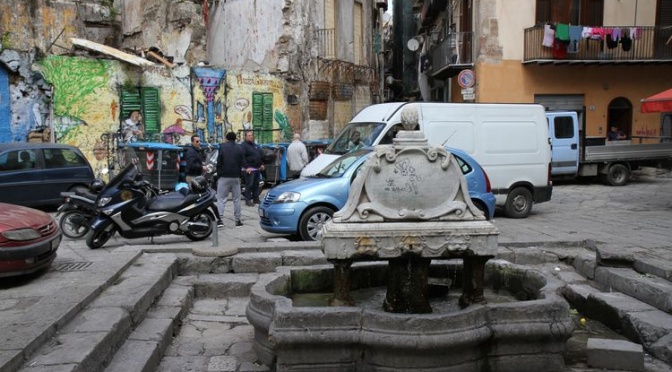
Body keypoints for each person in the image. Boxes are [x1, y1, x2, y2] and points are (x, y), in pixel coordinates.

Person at [216, 132, 245, 228]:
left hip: (224, 176)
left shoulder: (222, 147)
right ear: (235, 138)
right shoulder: (240, 148)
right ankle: (238, 220)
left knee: (221, 199)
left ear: (226, 138)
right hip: (236, 176)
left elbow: (219, 162)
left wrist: (219, 173)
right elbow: (242, 162)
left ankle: (220, 220)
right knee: (237, 199)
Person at [241, 131, 265, 206]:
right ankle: (248, 200)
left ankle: (256, 199)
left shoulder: (255, 145)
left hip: (257, 168)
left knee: (256, 185)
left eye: (252, 135)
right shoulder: (243, 146)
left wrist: (261, 164)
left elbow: (258, 155)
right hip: (249, 169)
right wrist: (246, 167)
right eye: (249, 135)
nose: (251, 137)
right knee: (249, 185)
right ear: (245, 137)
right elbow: (242, 158)